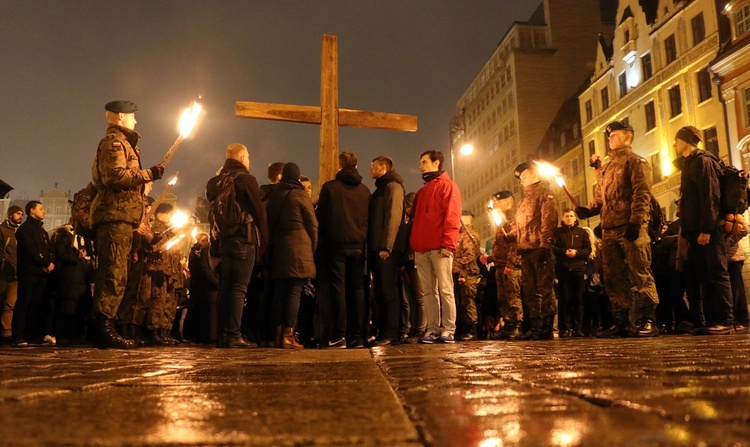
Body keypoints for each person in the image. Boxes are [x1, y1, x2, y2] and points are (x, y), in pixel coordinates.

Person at [90, 100, 164, 349]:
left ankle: (106, 325)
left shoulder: (125, 144)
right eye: (133, 116)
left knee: (117, 274)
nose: (136, 121)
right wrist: (147, 174)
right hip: (114, 216)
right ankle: (102, 327)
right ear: (120, 116)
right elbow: (114, 175)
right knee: (112, 274)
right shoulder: (114, 143)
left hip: (122, 217)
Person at [575, 120, 659, 338]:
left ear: (628, 137)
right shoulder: (608, 168)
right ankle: (621, 320)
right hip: (610, 229)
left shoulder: (636, 162)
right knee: (613, 277)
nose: (610, 139)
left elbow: (642, 194)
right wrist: (588, 210)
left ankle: (648, 319)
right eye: (609, 136)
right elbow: (601, 199)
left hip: (630, 226)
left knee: (640, 273)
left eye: (615, 135)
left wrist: (636, 222)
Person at [673, 125, 734, 335]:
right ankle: (711, 321)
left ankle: (725, 320)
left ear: (688, 141)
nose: (674, 144)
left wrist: (707, 228)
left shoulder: (703, 161)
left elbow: (710, 196)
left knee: (717, 273)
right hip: (695, 231)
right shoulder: (689, 163)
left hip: (707, 229)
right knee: (704, 275)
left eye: (677, 140)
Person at [206, 143, 268, 348]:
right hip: (243, 239)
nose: (249, 160)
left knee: (225, 287)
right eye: (248, 156)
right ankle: (234, 334)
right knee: (239, 288)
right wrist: (265, 242)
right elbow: (259, 213)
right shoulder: (246, 180)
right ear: (241, 157)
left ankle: (222, 334)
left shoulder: (214, 182)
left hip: (223, 241)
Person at [316, 151, 371, 348]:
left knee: (337, 290)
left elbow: (321, 217)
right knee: (357, 291)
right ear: (356, 166)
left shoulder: (330, 188)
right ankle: (357, 336)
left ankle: (339, 334)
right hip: (358, 247)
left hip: (335, 246)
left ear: (339, 165)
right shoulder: (365, 191)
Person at [411, 150, 462, 344]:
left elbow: (452, 216)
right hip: (422, 249)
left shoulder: (447, 186)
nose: (420, 166)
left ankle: (448, 329)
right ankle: (432, 329)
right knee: (429, 292)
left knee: (445, 289)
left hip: (440, 248)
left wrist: (447, 244)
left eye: (424, 162)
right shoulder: (422, 191)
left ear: (436, 163)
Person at [266, 162, 318, 349]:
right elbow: (312, 223)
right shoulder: (299, 194)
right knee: (294, 292)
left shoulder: (275, 195)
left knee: (280, 292)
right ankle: (288, 336)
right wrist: (312, 246)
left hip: (280, 247)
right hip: (299, 248)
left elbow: (269, 223)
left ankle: (277, 335)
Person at [512, 162, 558, 340]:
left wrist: (545, 245)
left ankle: (547, 327)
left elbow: (548, 221)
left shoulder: (546, 196)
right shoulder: (523, 201)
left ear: (534, 175)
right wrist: (512, 236)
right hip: (526, 250)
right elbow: (521, 226)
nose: (521, 181)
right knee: (530, 291)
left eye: (524, 177)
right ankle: (535, 326)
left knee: (545, 289)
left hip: (539, 249)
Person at [367, 156, 405, 346]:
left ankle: (391, 333)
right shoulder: (380, 189)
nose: (370, 170)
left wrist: (386, 246)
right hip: (376, 247)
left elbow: (394, 217)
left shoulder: (393, 187)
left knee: (388, 291)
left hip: (385, 249)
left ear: (383, 167)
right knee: (380, 292)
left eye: (373, 166)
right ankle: (382, 332)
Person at [12, 201, 55, 346]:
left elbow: (48, 249)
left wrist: (50, 263)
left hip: (42, 273)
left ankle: (32, 334)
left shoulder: (42, 231)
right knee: (24, 302)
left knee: (37, 304)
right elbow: (30, 250)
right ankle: (18, 335)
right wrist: (45, 263)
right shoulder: (25, 229)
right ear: (32, 211)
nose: (44, 212)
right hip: (29, 272)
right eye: (41, 209)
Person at [487, 191, 523, 340]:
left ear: (509, 202)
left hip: (510, 266)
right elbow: (500, 244)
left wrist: (511, 264)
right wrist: (491, 258)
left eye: (500, 202)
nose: (496, 205)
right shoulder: (499, 220)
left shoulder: (513, 219)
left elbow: (514, 244)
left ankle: (517, 325)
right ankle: (507, 324)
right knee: (503, 298)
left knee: (513, 296)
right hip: (500, 264)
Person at [553, 209, 591, 337]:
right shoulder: (558, 232)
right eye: (566, 216)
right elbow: (553, 247)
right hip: (563, 269)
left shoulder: (582, 232)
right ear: (563, 218)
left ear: (575, 218)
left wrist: (577, 253)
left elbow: (587, 249)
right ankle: (566, 327)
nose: (569, 218)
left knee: (578, 299)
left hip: (578, 269)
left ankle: (578, 327)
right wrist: (564, 251)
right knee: (565, 299)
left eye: (571, 216)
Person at [452, 210, 482, 341]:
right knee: (461, 302)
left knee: (468, 302)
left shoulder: (469, 235)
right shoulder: (460, 235)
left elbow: (469, 256)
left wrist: (461, 272)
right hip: (458, 273)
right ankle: (463, 329)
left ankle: (472, 330)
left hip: (467, 273)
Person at [187, 232, 219, 344]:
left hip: (207, 285)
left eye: (207, 240)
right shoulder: (195, 252)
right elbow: (199, 269)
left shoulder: (210, 252)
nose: (205, 242)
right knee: (200, 310)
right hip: (199, 286)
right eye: (203, 240)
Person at [0, 206, 23, 344]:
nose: (21, 216)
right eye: (18, 213)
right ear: (10, 215)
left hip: (16, 273)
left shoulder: (19, 232)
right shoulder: (2, 230)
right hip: (4, 272)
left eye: (22, 214)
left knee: (10, 304)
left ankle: (6, 332)